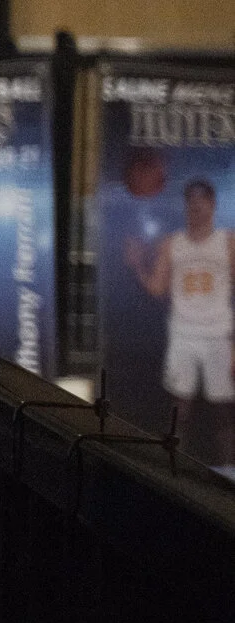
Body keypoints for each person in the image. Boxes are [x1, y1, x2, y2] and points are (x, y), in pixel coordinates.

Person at [137, 179, 234, 465]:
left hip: (219, 335)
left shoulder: (228, 242)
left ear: (213, 205)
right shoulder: (172, 243)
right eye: (191, 203)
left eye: (202, 203)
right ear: (185, 207)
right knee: (180, 409)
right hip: (184, 335)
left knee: (224, 412)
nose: (196, 209)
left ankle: (229, 478)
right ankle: (171, 471)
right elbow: (157, 288)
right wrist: (138, 266)